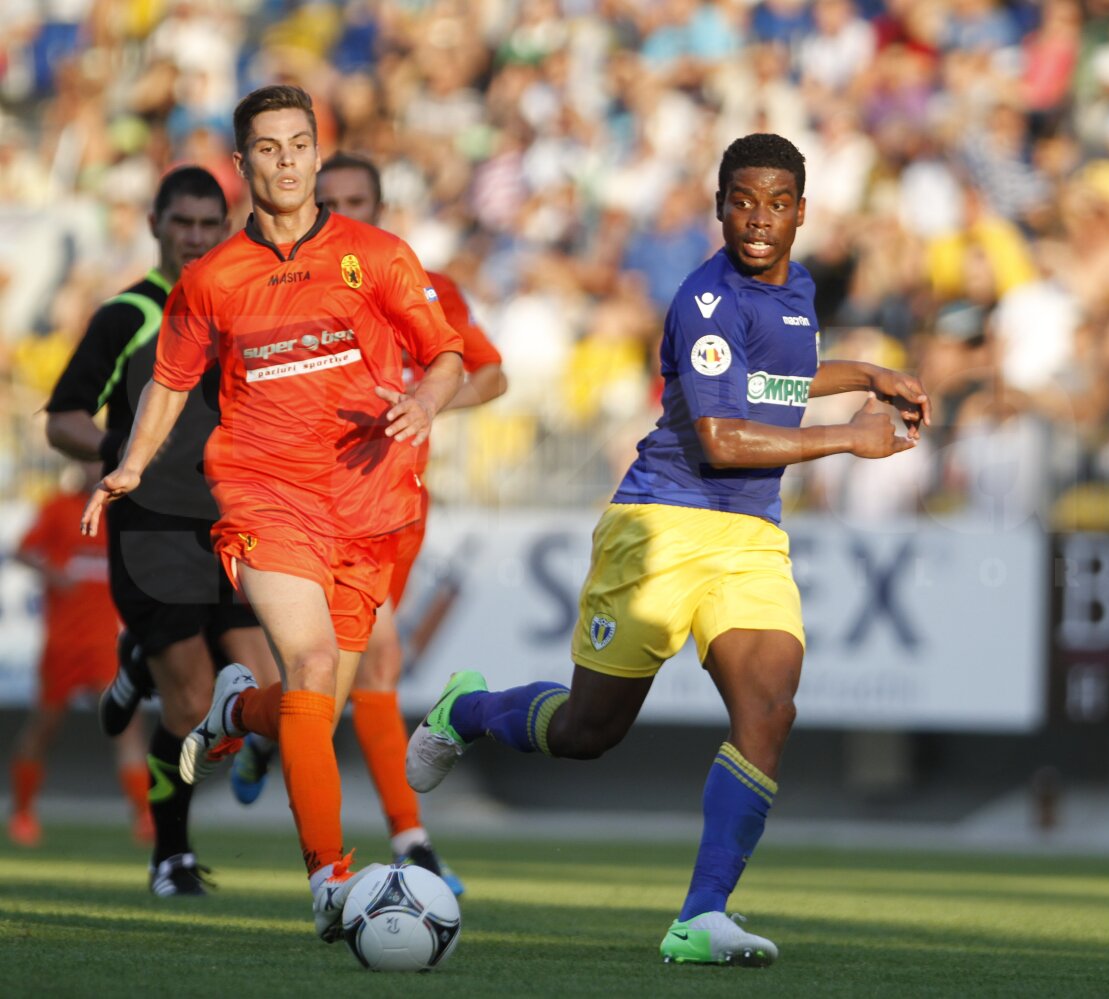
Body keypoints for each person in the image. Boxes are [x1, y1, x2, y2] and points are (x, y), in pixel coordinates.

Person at [405, 133, 931, 967]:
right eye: (742, 201)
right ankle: (466, 708)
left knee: (769, 712)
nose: (758, 220)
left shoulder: (795, 287)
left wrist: (862, 371)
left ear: (802, 212)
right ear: (719, 204)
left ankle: (701, 915)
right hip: (661, 526)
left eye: (777, 203)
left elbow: (770, 382)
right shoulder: (705, 299)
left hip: (753, 537)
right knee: (587, 732)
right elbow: (720, 436)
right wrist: (848, 438)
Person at [82, 84, 465, 943]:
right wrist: (131, 465)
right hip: (263, 490)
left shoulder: (379, 254)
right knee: (315, 658)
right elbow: (171, 382)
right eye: (268, 147)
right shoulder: (213, 278)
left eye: (299, 145)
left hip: (367, 497)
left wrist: (429, 401)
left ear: (317, 155)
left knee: (309, 704)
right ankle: (330, 876)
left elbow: (444, 357)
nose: (286, 161)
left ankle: (231, 712)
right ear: (242, 161)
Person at [227, 151, 506, 897]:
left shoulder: (421, 286)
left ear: (380, 208)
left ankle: (247, 715)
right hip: (306, 505)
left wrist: (423, 400)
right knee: (367, 663)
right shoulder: (287, 284)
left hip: (394, 510)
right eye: (335, 196)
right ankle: (405, 844)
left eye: (360, 197)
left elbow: (490, 372)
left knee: (335, 686)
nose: (346, 207)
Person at [47, 165, 277, 895]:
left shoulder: (243, 312)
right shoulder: (128, 316)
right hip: (153, 528)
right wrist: (125, 452)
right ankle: (169, 855)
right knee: (193, 702)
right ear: (155, 225)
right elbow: (62, 420)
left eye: (211, 224)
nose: (197, 237)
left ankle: (137, 660)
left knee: (271, 698)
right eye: (184, 223)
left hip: (234, 524)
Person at [7, 463, 152, 848]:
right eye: (89, 460)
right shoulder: (60, 507)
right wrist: (53, 573)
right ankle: (22, 813)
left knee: (126, 726)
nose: (94, 468)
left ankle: (144, 817)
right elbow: (23, 551)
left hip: (105, 645)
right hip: (64, 644)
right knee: (45, 726)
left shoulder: (120, 515)